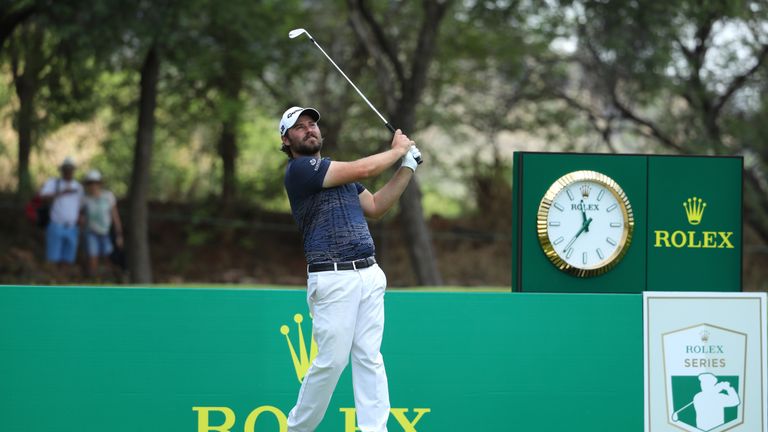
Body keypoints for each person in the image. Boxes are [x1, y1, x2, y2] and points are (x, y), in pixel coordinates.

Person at [280, 106, 421, 432]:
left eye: (312, 124)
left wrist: (407, 166)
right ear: (287, 141)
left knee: (369, 358)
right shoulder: (301, 171)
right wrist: (397, 150)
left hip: (368, 273)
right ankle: (297, 429)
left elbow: (376, 206)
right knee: (332, 362)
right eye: (299, 127)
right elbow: (365, 168)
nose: (309, 129)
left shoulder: (338, 174)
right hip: (333, 277)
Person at [39, 157, 84, 266]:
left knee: (68, 260)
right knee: (52, 259)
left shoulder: (78, 187)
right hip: (56, 225)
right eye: (66, 169)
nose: (68, 171)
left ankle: (63, 276)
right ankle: (53, 276)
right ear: (62, 170)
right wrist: (60, 192)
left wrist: (80, 218)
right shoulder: (53, 183)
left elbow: (81, 206)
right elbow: (42, 197)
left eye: (70, 169)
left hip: (72, 227)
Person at [81, 169, 124, 278]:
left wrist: (119, 234)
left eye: (95, 182)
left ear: (100, 183)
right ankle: (94, 280)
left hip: (106, 233)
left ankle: (108, 280)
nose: (93, 185)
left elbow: (115, 216)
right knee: (92, 258)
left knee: (108, 258)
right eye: (90, 183)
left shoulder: (108, 196)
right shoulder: (85, 199)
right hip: (90, 232)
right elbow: (82, 216)